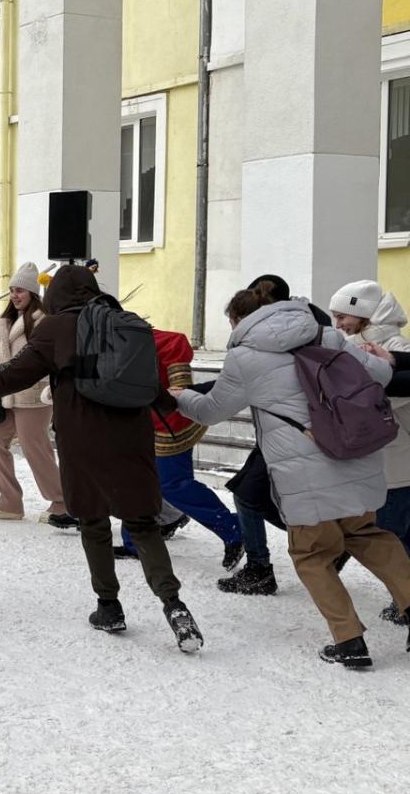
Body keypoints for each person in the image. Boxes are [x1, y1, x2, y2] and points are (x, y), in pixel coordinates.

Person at [0, 265, 204, 653]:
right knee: (142, 524)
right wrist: (176, 405)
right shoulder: (128, 324)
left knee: (93, 521)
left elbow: (15, 375)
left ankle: (109, 606)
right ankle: (174, 605)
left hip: (82, 437)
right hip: (132, 436)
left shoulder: (55, 329)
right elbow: (149, 384)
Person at [174, 283, 410, 668]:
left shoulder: (245, 357)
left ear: (239, 319)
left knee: (312, 554)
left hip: (304, 474)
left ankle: (349, 641)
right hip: (356, 455)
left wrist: (178, 396)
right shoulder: (328, 335)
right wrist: (383, 357)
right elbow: (381, 375)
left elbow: (211, 410)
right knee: (367, 534)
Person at [213, 274, 333, 597]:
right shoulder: (312, 319)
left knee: (248, 495)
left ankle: (260, 569)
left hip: (286, 428)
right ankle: (333, 545)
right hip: (311, 425)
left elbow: (231, 392)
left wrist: (185, 398)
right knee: (260, 495)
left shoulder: (263, 338)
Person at [0, 262, 72, 527]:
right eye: (12, 290)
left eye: (20, 290)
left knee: (35, 449)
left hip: (32, 396)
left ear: (33, 292)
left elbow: (45, 359)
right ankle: (9, 500)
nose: (15, 295)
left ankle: (62, 500)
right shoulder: (3, 322)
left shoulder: (43, 321)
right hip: (4, 396)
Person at [120, 328, 244, 569]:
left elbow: (178, 369)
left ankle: (236, 530)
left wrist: (171, 388)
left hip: (169, 423)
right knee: (133, 480)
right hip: (136, 424)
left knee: (173, 483)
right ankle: (136, 540)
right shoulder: (96, 343)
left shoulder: (151, 339)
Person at [330, 280, 410, 626]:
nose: (338, 325)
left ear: (361, 313)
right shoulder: (354, 343)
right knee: (390, 530)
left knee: (392, 532)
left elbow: (396, 396)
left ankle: (404, 599)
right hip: (374, 454)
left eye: (342, 316)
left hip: (399, 454)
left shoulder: (393, 344)